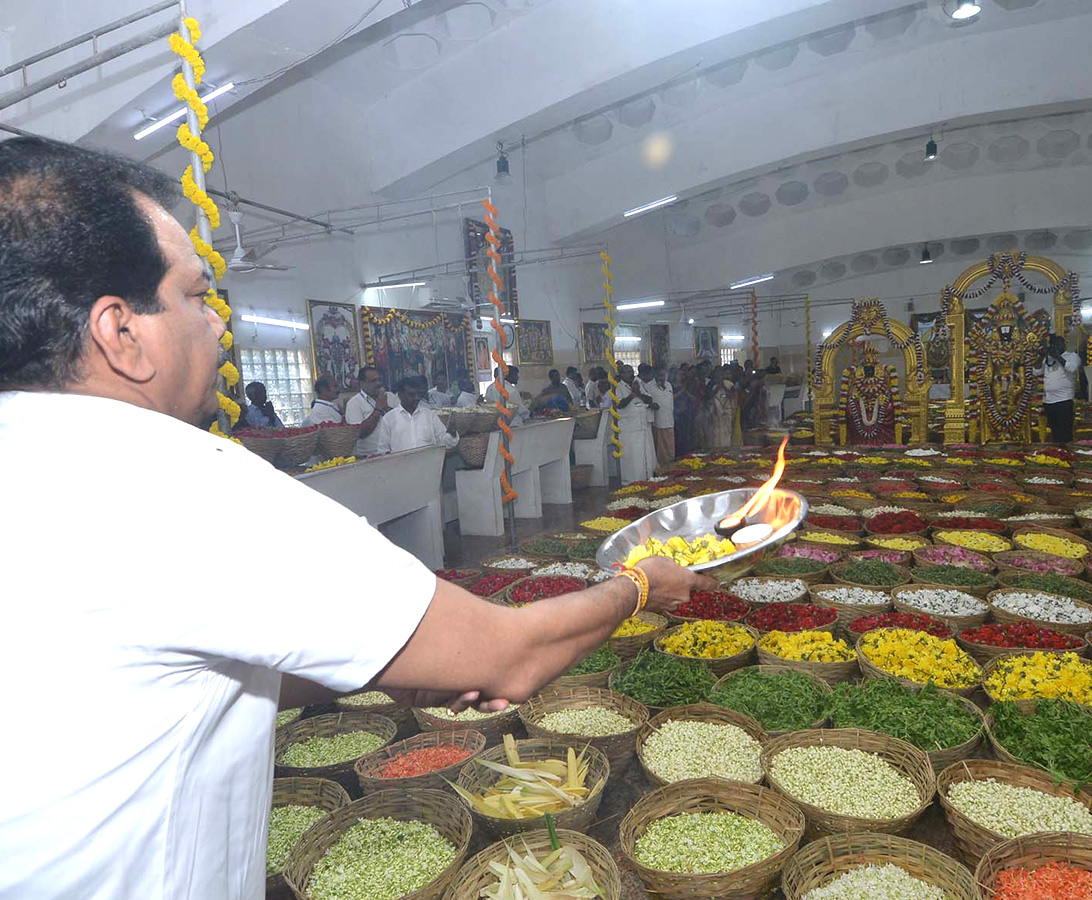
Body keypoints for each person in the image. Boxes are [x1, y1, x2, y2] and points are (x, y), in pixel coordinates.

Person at [0, 136, 712, 900]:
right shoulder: (172, 479)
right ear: (121, 331)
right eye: (195, 296)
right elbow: (509, 657)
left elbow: (136, 681)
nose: (218, 324)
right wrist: (637, 589)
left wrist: (372, 669)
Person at [379, 377, 459, 453]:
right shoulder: (389, 419)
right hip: (401, 466)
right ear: (400, 395)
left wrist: (451, 433)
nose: (416, 398)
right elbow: (383, 449)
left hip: (428, 465)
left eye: (418, 394)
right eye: (411, 395)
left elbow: (444, 442)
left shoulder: (429, 415)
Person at [614, 365, 657, 481]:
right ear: (621, 374)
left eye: (631, 372)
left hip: (641, 425)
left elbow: (649, 399)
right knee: (631, 455)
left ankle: (645, 478)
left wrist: (639, 393)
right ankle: (631, 481)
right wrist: (632, 394)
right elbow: (619, 404)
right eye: (626, 372)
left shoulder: (638, 383)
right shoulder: (618, 387)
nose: (630, 374)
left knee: (643, 455)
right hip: (629, 428)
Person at [1035, 334, 1080, 444]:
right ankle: (1058, 453)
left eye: (1058, 344)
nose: (1055, 347)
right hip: (1049, 401)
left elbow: (1072, 368)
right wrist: (1041, 356)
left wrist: (1058, 357)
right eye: (1053, 345)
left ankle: (1067, 453)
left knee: (1064, 432)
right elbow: (1035, 371)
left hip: (1064, 400)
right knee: (1054, 431)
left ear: (1064, 344)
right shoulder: (1048, 358)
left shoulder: (1072, 356)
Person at [344, 365, 394, 456]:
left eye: (379, 380)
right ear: (361, 383)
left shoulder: (389, 396)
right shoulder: (354, 403)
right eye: (373, 381)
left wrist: (387, 408)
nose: (378, 383)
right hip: (369, 457)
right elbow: (360, 433)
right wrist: (378, 409)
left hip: (393, 452)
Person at [644, 365, 675, 463]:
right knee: (661, 449)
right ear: (655, 375)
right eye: (659, 375)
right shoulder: (649, 386)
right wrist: (652, 405)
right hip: (658, 423)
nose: (662, 378)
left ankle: (671, 465)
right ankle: (663, 468)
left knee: (670, 447)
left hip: (670, 421)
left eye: (663, 375)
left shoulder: (669, 385)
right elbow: (645, 402)